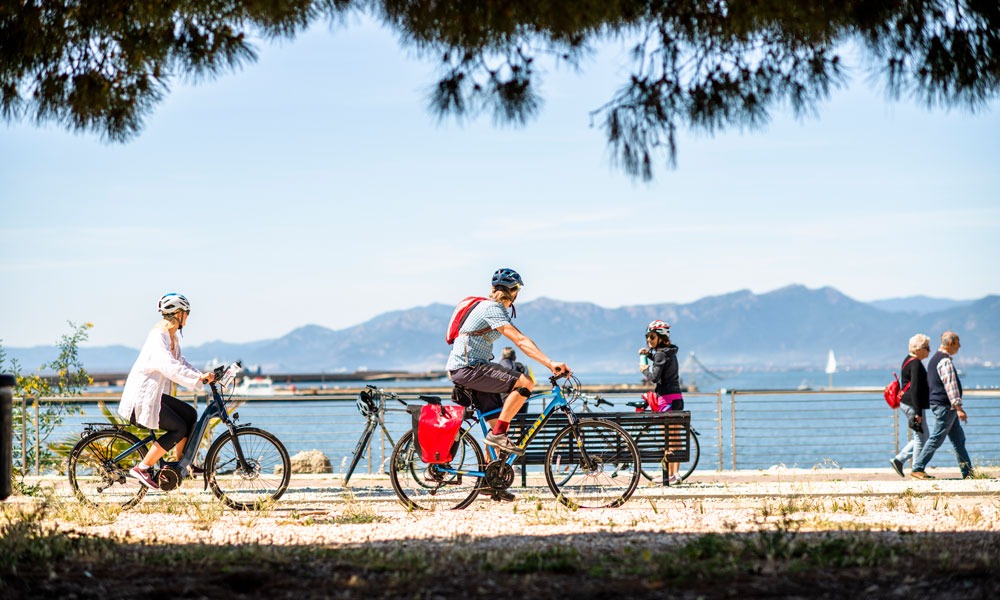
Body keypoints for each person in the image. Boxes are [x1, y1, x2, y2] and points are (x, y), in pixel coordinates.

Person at [446, 268, 570, 464]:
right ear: (515, 292)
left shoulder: (494, 309)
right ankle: (498, 435)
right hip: (470, 368)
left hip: (469, 368)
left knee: (496, 425)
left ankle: (490, 479)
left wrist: (548, 362)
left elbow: (521, 338)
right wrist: (550, 363)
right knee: (525, 382)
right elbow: (520, 341)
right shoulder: (492, 308)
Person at [117, 293, 215, 489]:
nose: (187, 317)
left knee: (190, 414)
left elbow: (180, 362)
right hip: (141, 400)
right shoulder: (158, 337)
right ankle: (142, 468)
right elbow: (168, 365)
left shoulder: (172, 338)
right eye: (186, 313)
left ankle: (183, 465)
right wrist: (196, 379)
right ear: (178, 314)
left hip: (152, 397)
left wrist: (201, 375)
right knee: (178, 427)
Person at [910, 331, 974, 480]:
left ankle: (968, 472)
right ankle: (917, 467)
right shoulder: (945, 361)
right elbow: (950, 386)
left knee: (958, 440)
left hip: (941, 405)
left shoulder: (934, 360)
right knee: (936, 438)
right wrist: (958, 407)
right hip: (945, 406)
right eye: (958, 343)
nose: (960, 346)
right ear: (951, 343)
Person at [638, 320, 685, 483]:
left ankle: (669, 476)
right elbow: (661, 361)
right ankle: (675, 474)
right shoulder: (670, 351)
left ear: (661, 337)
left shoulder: (660, 354)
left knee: (668, 439)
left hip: (666, 400)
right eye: (647, 337)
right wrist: (649, 354)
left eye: (652, 337)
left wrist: (645, 370)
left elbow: (655, 377)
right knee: (676, 438)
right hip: (677, 398)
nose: (649, 340)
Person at [889, 334, 931, 477]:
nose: (929, 351)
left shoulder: (907, 361)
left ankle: (899, 460)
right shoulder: (916, 364)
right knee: (921, 437)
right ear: (918, 349)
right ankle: (917, 470)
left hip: (907, 403)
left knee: (924, 436)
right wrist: (918, 412)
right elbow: (915, 389)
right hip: (913, 405)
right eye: (927, 348)